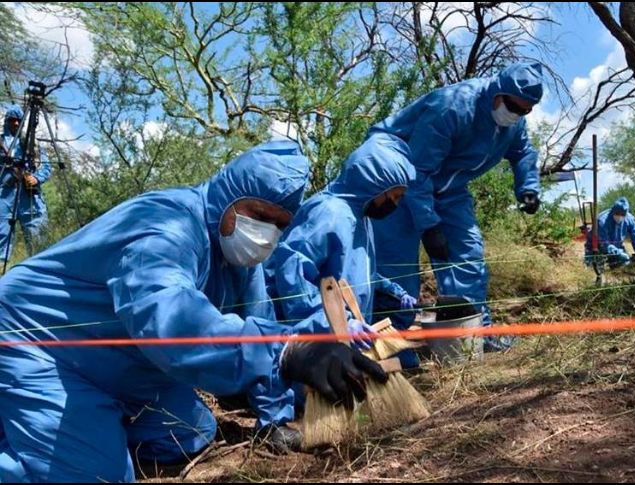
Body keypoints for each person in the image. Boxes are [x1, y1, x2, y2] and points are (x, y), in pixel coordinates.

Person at [0, 139, 387, 482]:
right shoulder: (164, 227)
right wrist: (288, 352)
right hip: (37, 344)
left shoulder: (238, 260)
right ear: (229, 196)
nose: (267, 232)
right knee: (100, 475)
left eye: (279, 224)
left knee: (190, 434)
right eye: (259, 214)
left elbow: (262, 327)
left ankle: (81, 425)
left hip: (122, 359)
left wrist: (290, 404)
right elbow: (170, 323)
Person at [367, 62, 544, 353]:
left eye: (525, 110)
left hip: (449, 189)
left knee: (468, 256)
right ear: (496, 92)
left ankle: (472, 337)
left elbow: (523, 151)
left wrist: (528, 187)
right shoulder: (452, 107)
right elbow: (417, 171)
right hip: (398, 182)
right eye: (512, 106)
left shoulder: (513, 123)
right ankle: (391, 346)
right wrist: (429, 225)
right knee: (395, 267)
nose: (516, 114)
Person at [271, 132, 417, 348]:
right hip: (312, 340)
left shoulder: (361, 217)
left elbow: (358, 273)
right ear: (373, 183)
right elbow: (293, 274)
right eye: (393, 196)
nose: (394, 205)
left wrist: (394, 293)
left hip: (341, 339)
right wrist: (333, 322)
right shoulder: (330, 213)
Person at [0, 105, 51, 262]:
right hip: (4, 197)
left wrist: (36, 178)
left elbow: (46, 166)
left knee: (38, 242)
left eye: (19, 121)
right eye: (12, 120)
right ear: (7, 121)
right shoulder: (1, 142)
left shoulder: (31, 143)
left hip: (29, 197)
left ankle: (40, 273)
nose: (15, 124)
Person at [584, 197, 635, 269]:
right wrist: (619, 253)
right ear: (613, 211)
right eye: (617, 213)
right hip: (597, 247)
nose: (620, 216)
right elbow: (604, 244)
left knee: (622, 267)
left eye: (623, 214)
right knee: (595, 269)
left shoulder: (630, 219)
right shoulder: (602, 220)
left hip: (616, 247)